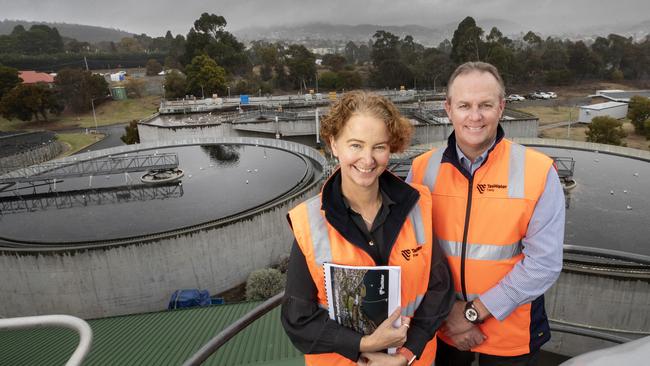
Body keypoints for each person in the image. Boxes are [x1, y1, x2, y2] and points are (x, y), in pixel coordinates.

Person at [407, 61, 565, 365]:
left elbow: (543, 264)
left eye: (486, 105)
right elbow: (412, 252)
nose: (475, 116)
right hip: (442, 330)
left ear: (502, 107)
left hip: (512, 337)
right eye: (464, 105)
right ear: (448, 108)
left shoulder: (538, 171)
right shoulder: (421, 169)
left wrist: (470, 312)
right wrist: (447, 313)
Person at [281, 91, 454, 366]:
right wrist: (363, 345)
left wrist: (406, 354)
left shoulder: (418, 207)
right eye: (356, 145)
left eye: (379, 147)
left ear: (391, 148)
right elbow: (298, 321)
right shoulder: (309, 222)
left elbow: (440, 291)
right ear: (333, 144)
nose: (367, 159)